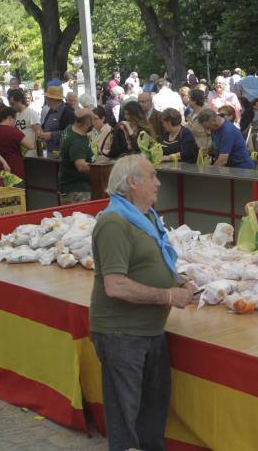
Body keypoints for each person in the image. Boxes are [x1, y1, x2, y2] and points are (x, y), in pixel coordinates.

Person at [90, 154, 195, 451]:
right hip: (122, 334)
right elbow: (115, 285)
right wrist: (169, 296)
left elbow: (155, 263)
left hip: (150, 331)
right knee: (125, 416)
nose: (158, 182)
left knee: (152, 411)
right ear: (132, 182)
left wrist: (179, 281)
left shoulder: (147, 216)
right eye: (152, 176)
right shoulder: (113, 223)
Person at [0, 106, 34, 180]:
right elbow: (30, 146)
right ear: (10, 118)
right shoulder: (13, 131)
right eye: (15, 119)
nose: (15, 122)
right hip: (13, 169)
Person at [59, 109, 95, 204]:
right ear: (87, 122)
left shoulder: (68, 129)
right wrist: (98, 169)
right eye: (93, 120)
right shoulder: (78, 141)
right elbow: (81, 165)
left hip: (66, 186)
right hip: (78, 191)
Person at [40, 85, 75, 154]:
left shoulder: (67, 111)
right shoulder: (51, 110)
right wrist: (41, 132)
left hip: (62, 153)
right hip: (50, 151)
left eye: (47, 97)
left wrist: (51, 135)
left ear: (53, 99)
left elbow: (71, 132)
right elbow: (44, 126)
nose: (46, 99)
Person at [9, 89, 41, 157]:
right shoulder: (16, 115)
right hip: (19, 152)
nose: (11, 106)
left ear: (20, 101)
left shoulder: (31, 113)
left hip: (30, 153)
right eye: (10, 104)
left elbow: (39, 133)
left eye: (12, 103)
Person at [186, 89, 212, 153]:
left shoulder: (207, 113)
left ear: (194, 101)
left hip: (205, 151)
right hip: (193, 150)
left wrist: (207, 149)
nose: (187, 101)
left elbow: (212, 134)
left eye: (189, 99)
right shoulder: (190, 115)